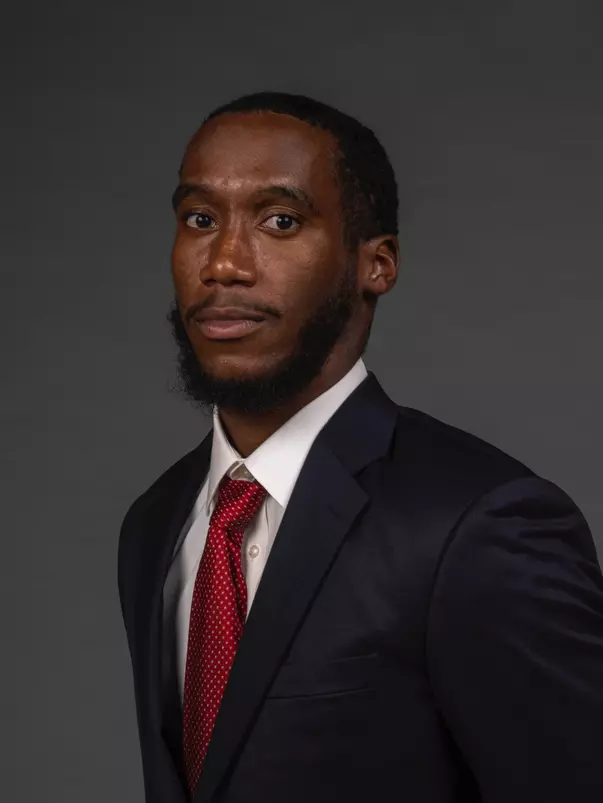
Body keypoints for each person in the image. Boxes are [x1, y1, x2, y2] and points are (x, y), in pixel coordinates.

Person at [117, 92, 603, 803]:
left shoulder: (477, 525)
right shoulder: (156, 523)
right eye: (199, 219)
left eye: (280, 221)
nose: (223, 263)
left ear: (374, 264)